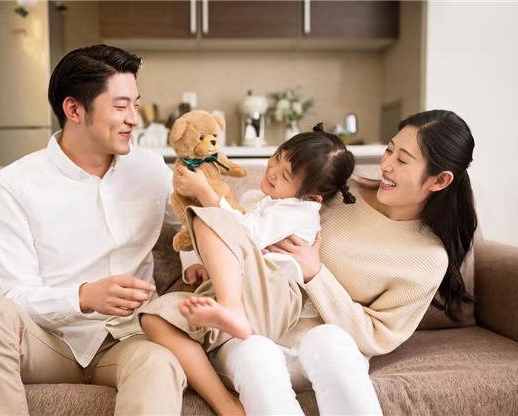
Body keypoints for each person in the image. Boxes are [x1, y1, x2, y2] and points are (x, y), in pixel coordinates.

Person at [0, 45, 186, 415]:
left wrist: (204, 256)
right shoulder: (14, 184)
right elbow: (13, 295)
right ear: (74, 110)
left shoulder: (151, 169)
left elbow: (195, 225)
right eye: (120, 106)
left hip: (128, 339)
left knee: (159, 363)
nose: (133, 120)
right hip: (50, 343)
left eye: (136, 105)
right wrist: (84, 297)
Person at [205, 109, 478, 415]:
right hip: (254, 335)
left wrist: (316, 275)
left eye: (402, 160)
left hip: (322, 352)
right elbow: (262, 205)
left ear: (440, 180)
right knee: (258, 352)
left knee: (330, 340)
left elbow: (377, 336)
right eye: (389, 150)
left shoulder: (428, 258)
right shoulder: (339, 192)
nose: (386, 164)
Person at [140, 125, 356, 415]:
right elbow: (235, 246)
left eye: (286, 175)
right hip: (247, 293)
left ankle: (231, 308)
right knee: (154, 318)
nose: (273, 170)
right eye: (277, 157)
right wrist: (202, 265)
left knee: (209, 216)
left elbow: (245, 234)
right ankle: (225, 401)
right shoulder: (264, 202)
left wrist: (206, 194)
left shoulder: (299, 210)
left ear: (312, 197)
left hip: (273, 298)